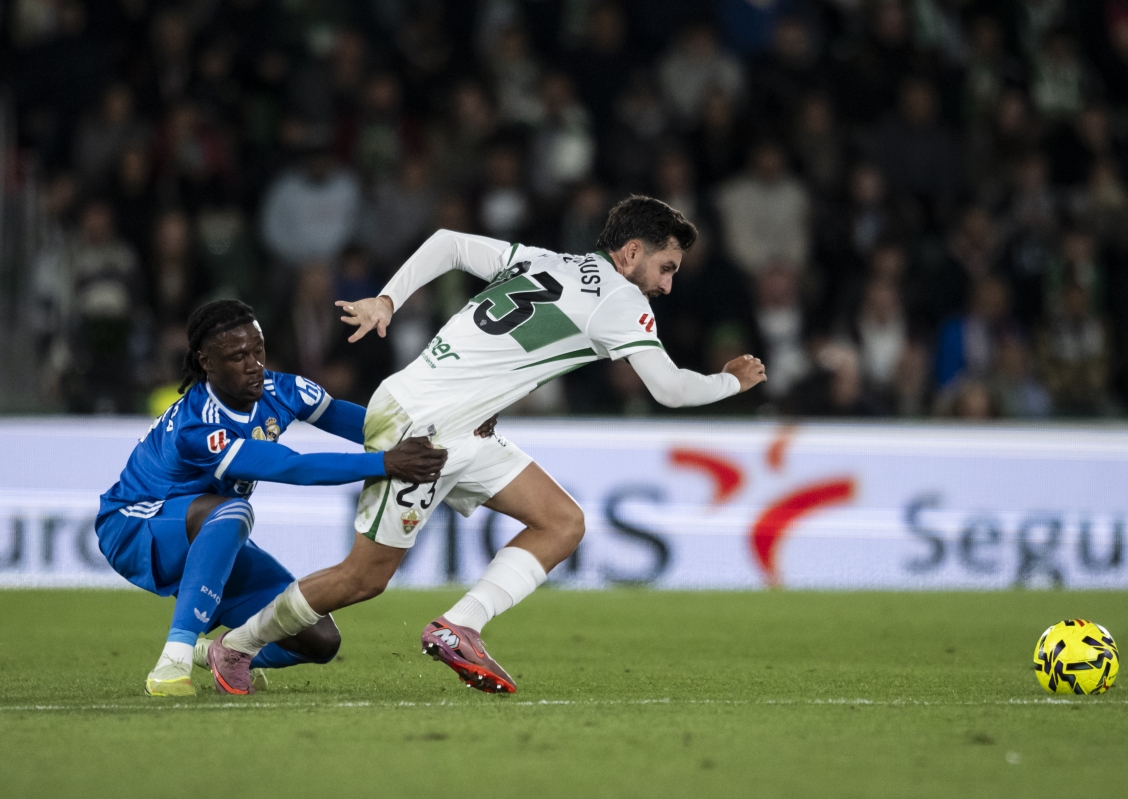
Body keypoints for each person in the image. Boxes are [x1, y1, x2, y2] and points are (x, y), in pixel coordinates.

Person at [208, 196, 767, 694]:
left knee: (562, 522)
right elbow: (669, 390)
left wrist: (387, 300)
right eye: (666, 268)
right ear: (632, 253)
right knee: (364, 578)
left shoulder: (544, 261)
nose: (667, 285)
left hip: (459, 425)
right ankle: (236, 646)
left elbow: (448, 244)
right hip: (423, 431)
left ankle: (460, 626)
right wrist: (731, 382)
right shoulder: (621, 301)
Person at [95, 300, 449, 697]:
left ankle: (223, 651)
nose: (254, 365)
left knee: (318, 639)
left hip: (212, 530)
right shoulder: (198, 426)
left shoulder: (281, 390)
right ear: (206, 362)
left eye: (258, 350)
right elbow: (291, 467)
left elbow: (369, 425)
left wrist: (441, 433)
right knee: (233, 511)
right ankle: (171, 663)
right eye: (238, 357)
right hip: (134, 525)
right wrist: (384, 463)